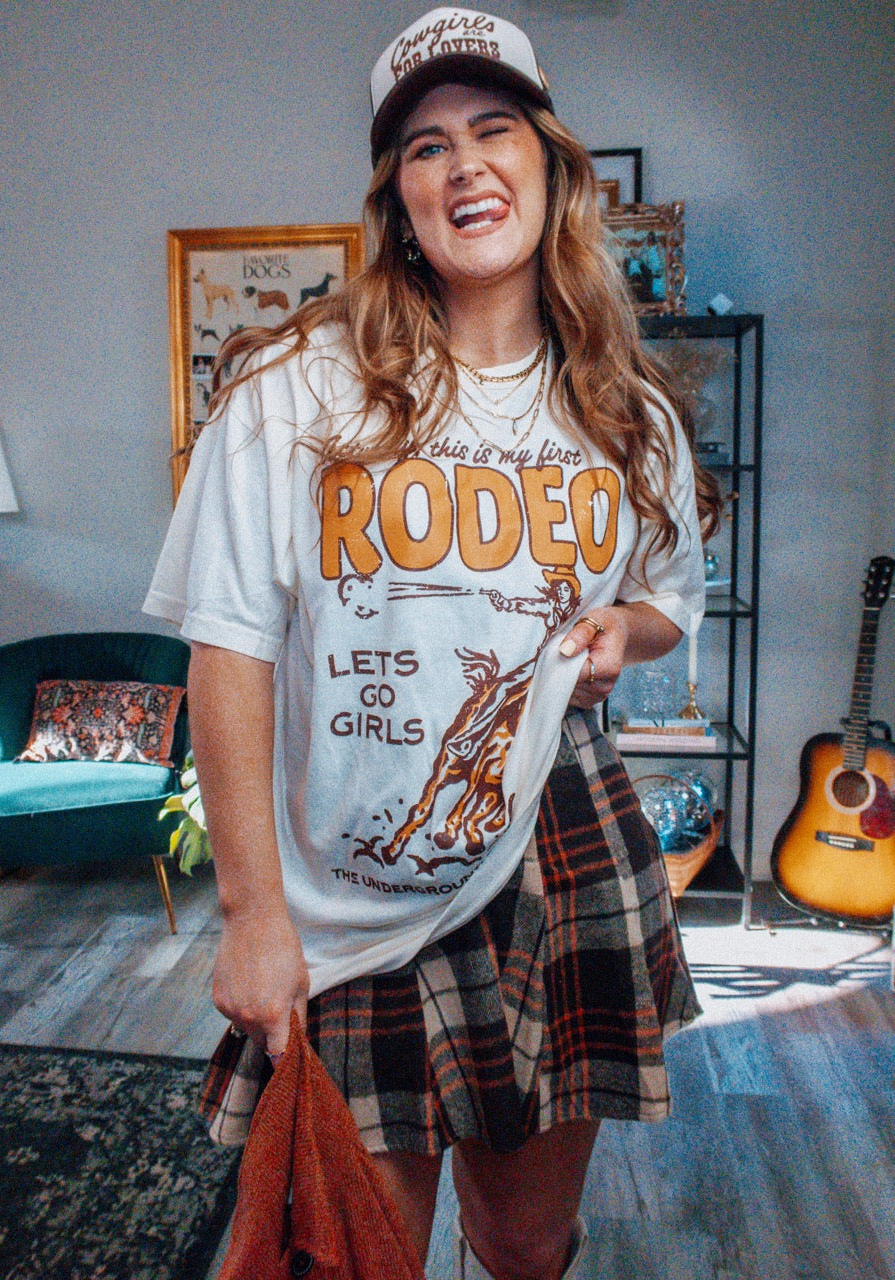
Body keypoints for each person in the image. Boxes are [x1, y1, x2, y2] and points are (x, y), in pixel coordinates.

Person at [144, 8, 722, 1277]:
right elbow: (228, 649)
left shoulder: (625, 408)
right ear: (399, 198)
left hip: (560, 845)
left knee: (526, 1240)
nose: (464, 165)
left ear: (550, 167)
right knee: (350, 1251)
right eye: (426, 145)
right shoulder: (293, 388)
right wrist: (249, 914)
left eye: (494, 129)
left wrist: (622, 626)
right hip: (347, 897)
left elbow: (670, 595)